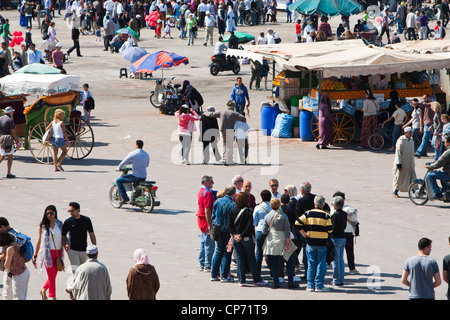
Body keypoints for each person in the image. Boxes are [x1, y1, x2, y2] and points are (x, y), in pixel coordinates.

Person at [228, 192, 267, 287]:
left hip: (235, 238)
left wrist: (234, 234)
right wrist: (241, 235)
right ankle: (257, 279)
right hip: (246, 238)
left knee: (239, 258)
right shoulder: (248, 211)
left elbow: (229, 225)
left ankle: (241, 280)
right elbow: (249, 226)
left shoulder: (232, 210)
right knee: (251, 258)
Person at [295, 195, 332, 292]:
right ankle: (319, 285)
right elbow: (330, 230)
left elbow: (297, 223)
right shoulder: (326, 215)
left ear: (314, 203)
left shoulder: (308, 213)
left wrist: (303, 233)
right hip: (322, 243)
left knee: (311, 264)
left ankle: (310, 285)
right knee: (321, 264)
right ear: (323, 204)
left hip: (310, 242)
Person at [262, 198, 297, 289]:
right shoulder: (283, 216)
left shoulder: (267, 216)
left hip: (272, 241)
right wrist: (288, 242)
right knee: (290, 259)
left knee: (273, 262)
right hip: (283, 240)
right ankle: (290, 280)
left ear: (271, 206)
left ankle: (275, 281)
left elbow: (264, 231)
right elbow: (287, 230)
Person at [33, 205, 64, 300]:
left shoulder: (60, 224)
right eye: (47, 213)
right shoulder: (43, 226)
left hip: (58, 252)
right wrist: (35, 255)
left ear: (55, 213)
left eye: (51, 213)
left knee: (54, 274)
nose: (49, 215)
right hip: (47, 254)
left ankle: (43, 290)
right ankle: (53, 297)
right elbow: (39, 241)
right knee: (51, 276)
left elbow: (64, 237)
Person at [210, 185, 236, 283]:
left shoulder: (217, 202)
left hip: (218, 230)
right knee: (227, 253)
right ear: (234, 193)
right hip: (227, 231)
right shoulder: (232, 204)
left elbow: (213, 216)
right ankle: (224, 275)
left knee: (218, 251)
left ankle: (214, 274)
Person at [62, 202, 97, 273]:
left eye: (72, 211)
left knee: (85, 271)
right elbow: (63, 235)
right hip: (72, 250)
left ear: (78, 210)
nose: (70, 213)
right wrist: (65, 245)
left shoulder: (86, 220)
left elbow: (91, 234)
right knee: (76, 271)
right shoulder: (68, 222)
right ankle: (76, 284)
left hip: (84, 250)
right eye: (69, 211)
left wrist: (94, 247)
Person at [209, 100, 246, 165]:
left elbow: (212, 114)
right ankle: (230, 159)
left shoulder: (222, 111)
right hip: (231, 130)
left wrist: (205, 113)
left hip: (223, 130)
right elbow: (243, 118)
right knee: (230, 145)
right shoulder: (234, 113)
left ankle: (225, 159)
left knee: (225, 144)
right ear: (233, 107)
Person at [0, 231, 30, 300]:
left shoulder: (9, 249)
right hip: (23, 272)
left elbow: (6, 265)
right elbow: (5, 256)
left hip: (19, 275)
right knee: (20, 297)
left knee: (18, 297)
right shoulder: (13, 244)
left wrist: (5, 263)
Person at [197, 175, 216, 272]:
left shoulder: (201, 191)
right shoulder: (207, 193)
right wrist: (210, 225)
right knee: (209, 243)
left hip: (201, 220)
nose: (213, 183)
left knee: (203, 242)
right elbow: (207, 210)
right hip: (206, 220)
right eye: (211, 181)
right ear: (205, 182)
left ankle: (202, 263)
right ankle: (208, 265)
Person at [392, 127, 416, 197]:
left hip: (410, 163)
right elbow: (398, 153)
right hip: (402, 163)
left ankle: (415, 190)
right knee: (399, 177)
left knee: (412, 177)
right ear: (405, 133)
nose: (410, 134)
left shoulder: (411, 140)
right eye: (409, 133)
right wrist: (399, 164)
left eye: (411, 133)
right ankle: (395, 191)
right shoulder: (401, 141)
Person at [425, 136, 450, 200]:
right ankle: (445, 190)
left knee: (430, 175)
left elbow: (440, 163)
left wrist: (431, 166)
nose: (444, 144)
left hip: (448, 173)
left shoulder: (448, 152)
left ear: (448, 143)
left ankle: (438, 193)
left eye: (445, 142)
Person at [330, 196, 346, 287]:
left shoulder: (335, 215)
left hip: (335, 238)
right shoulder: (344, 213)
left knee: (335, 260)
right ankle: (341, 279)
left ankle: (336, 280)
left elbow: (333, 228)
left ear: (336, 205)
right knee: (341, 259)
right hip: (342, 237)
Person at [0, 106, 20, 179]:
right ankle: (9, 173)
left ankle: (9, 173)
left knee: (3, 155)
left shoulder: (0, 119)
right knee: (10, 156)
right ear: (10, 112)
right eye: (12, 111)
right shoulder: (10, 120)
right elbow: (13, 132)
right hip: (8, 138)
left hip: (1, 138)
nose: (13, 112)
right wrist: (17, 142)